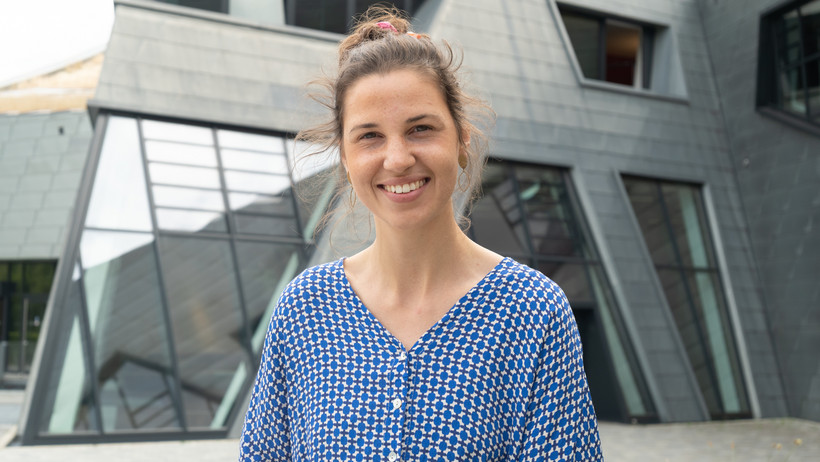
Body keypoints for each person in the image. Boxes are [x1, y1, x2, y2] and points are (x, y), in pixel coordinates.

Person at [239, 6, 602, 461]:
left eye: (421, 129)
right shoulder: (304, 310)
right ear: (346, 161)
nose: (397, 159)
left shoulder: (532, 313)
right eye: (369, 136)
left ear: (461, 141)